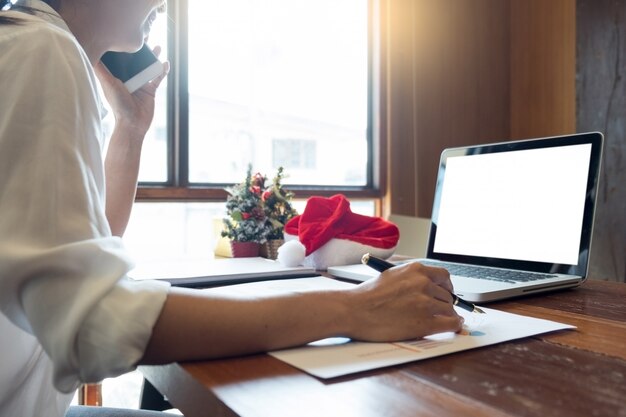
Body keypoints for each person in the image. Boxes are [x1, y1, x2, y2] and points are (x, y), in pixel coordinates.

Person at [0, 1, 464, 416]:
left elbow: (86, 248)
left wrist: (131, 127)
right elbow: (94, 317)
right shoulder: (42, 49)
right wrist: (354, 308)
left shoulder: (39, 48)